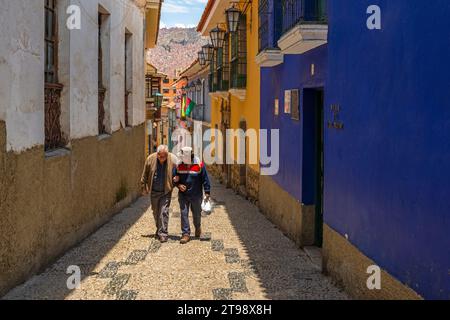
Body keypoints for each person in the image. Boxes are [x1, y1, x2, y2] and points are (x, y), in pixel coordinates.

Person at [173, 147, 211, 244]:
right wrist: (178, 185)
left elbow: (205, 178)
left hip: (196, 194)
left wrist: (207, 192)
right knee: (184, 213)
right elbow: (174, 177)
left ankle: (198, 227)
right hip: (183, 195)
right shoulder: (178, 165)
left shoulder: (199, 164)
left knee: (197, 214)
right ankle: (186, 234)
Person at [141, 145, 178, 243]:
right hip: (154, 191)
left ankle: (163, 233)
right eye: (161, 156)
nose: (163, 158)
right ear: (157, 155)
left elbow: (179, 171)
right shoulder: (150, 159)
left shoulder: (172, 158)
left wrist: (176, 179)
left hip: (166, 191)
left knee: (164, 211)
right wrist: (143, 186)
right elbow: (145, 174)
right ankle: (159, 229)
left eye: (165, 156)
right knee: (156, 212)